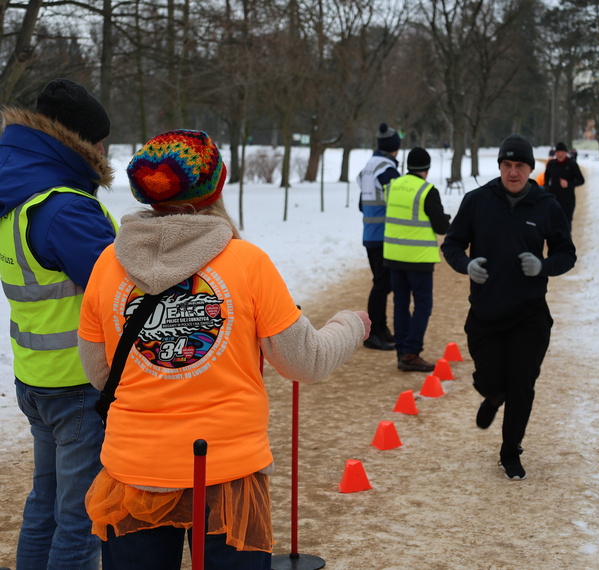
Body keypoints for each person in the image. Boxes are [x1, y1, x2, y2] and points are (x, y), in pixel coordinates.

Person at [77, 130, 370, 568]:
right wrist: (351, 325)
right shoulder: (247, 263)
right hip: (228, 475)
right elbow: (305, 361)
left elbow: (100, 372)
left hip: (135, 469)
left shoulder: (107, 264)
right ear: (216, 187)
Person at [0, 78, 116, 570]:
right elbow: (118, 292)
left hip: (38, 379)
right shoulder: (66, 208)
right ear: (82, 142)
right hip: (78, 387)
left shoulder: (18, 194)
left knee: (44, 506)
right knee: (80, 518)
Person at [441, 134, 576, 480]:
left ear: (531, 169)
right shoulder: (477, 201)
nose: (513, 172)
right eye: (507, 165)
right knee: (491, 379)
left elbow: (567, 254)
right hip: (485, 313)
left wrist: (543, 265)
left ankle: (510, 449)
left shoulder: (546, 206)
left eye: (520, 166)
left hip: (529, 313)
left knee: (523, 383)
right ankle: (493, 394)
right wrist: (466, 264)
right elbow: (452, 244)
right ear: (499, 166)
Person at [383, 147, 451, 372]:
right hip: (418, 258)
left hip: (394, 255)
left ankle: (402, 351)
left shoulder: (392, 187)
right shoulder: (427, 190)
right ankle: (411, 353)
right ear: (427, 169)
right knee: (422, 305)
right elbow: (441, 227)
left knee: (400, 304)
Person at [358, 122, 401, 350]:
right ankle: (374, 332)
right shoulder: (387, 169)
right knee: (383, 284)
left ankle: (381, 329)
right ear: (395, 147)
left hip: (370, 233)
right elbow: (397, 201)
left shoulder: (368, 167)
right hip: (384, 235)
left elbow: (361, 203)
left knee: (382, 283)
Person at [543, 141, 585, 225]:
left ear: (566, 153)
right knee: (552, 226)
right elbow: (547, 176)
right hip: (553, 199)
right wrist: (546, 186)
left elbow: (581, 180)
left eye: (562, 152)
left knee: (565, 225)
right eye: (558, 152)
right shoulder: (551, 164)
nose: (560, 155)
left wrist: (569, 184)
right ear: (555, 153)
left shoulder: (572, 164)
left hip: (568, 201)